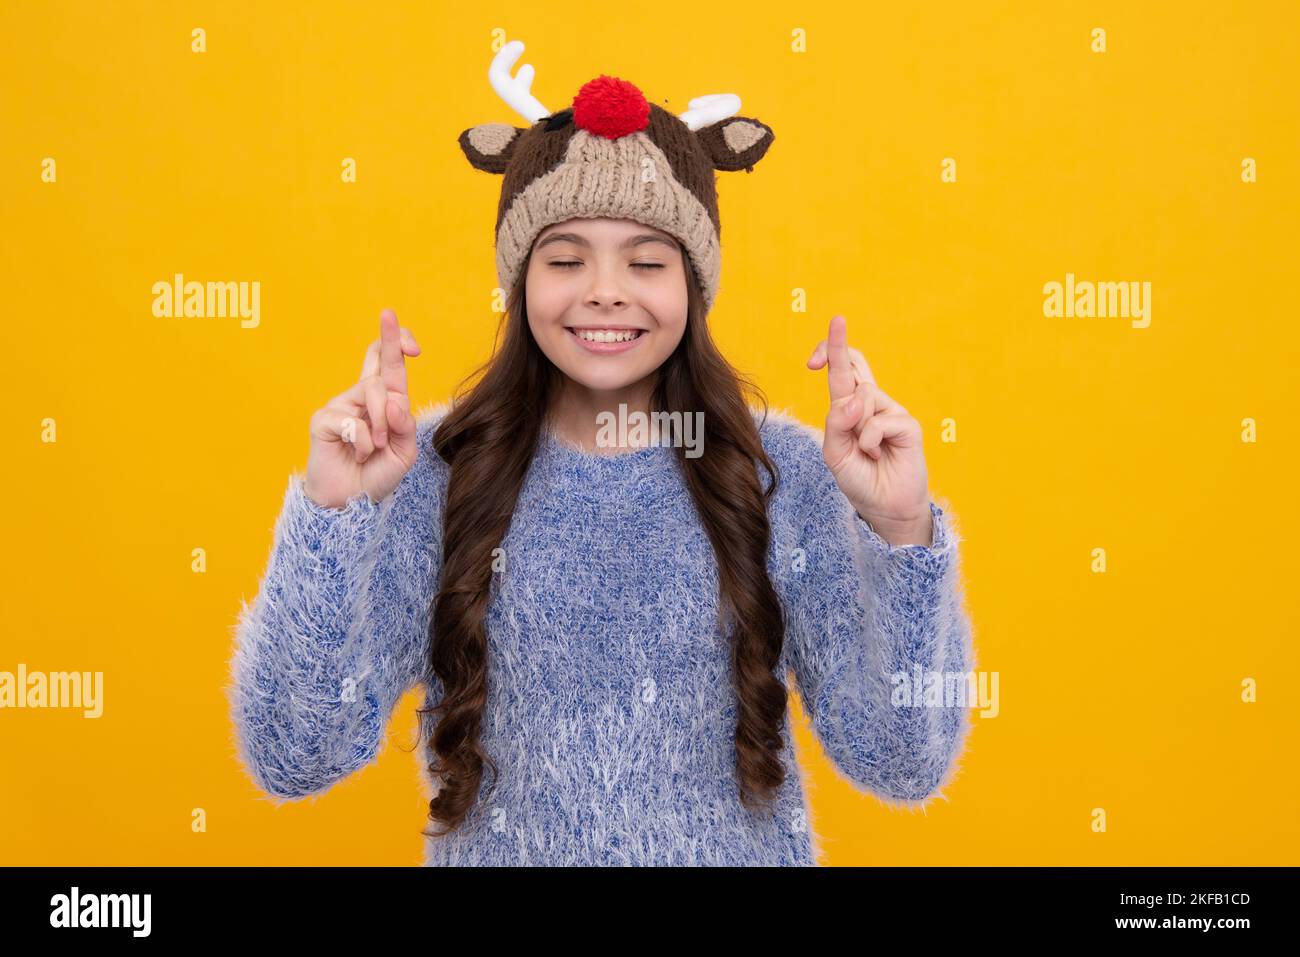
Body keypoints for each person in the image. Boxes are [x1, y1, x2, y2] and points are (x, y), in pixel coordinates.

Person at [226, 48, 976, 866]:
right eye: (566, 258)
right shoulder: (437, 473)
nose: (606, 290)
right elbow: (294, 753)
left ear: (693, 285)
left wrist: (900, 528)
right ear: (520, 284)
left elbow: (901, 763)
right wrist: (336, 513)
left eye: (647, 261)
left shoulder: (781, 476)